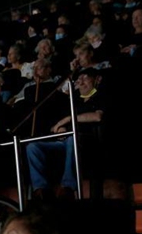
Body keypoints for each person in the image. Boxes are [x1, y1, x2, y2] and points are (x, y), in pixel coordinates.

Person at [27, 68, 105, 200]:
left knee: (71, 139)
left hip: (86, 140)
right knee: (32, 146)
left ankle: (67, 187)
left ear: (96, 80)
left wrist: (68, 120)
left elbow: (97, 116)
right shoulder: (73, 101)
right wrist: (60, 129)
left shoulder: (100, 96)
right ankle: (41, 189)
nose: (81, 82)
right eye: (79, 79)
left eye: (85, 78)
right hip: (63, 141)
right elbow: (55, 126)